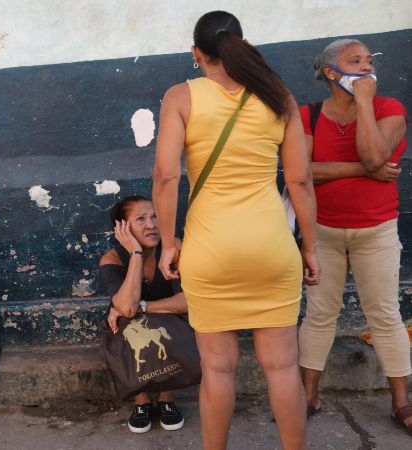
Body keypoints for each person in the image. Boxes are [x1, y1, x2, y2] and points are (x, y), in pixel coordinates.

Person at [152, 11, 320, 450]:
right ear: (241, 43)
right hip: (272, 248)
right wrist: (311, 248)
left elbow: (167, 177)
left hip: (210, 251)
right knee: (282, 367)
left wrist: (168, 244)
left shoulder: (180, 97)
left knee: (218, 369)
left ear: (196, 54)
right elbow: (300, 181)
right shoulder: (279, 96)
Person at [296, 38, 410, 434]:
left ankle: (401, 402)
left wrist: (364, 102)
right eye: (354, 61)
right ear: (331, 72)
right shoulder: (307, 115)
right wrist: (361, 170)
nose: (366, 67)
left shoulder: (389, 109)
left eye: (368, 61)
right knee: (319, 315)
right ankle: (309, 395)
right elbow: (303, 172)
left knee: (385, 316)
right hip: (322, 231)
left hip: (375, 230)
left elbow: (376, 156)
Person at [100, 195, 189, 433]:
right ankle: (142, 402)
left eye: (155, 217)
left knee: (162, 324)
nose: (152, 224)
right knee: (124, 323)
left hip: (171, 318)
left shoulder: (173, 249)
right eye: (141, 219)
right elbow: (127, 308)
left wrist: (143, 307)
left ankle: (166, 399)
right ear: (123, 229)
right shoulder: (112, 259)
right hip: (131, 322)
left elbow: (188, 301)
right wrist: (136, 253)